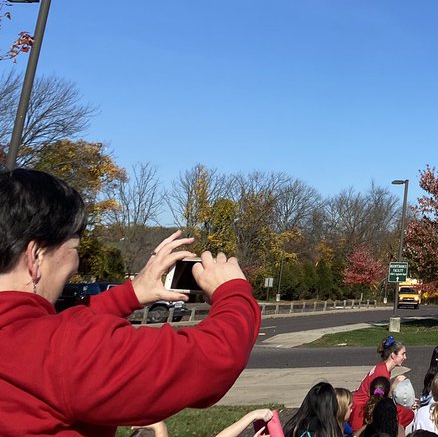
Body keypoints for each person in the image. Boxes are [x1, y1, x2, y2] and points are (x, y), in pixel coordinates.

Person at [0, 167, 260, 437]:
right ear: (36, 256)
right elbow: (213, 359)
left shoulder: (25, 342)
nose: (76, 266)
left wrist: (131, 294)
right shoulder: (61, 351)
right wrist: (233, 291)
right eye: (74, 250)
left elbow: (49, 328)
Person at [352, 336, 409, 430]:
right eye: (403, 354)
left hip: (359, 405)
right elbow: (382, 400)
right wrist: (394, 386)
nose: (405, 357)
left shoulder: (382, 367)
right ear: (393, 355)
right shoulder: (382, 374)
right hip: (360, 410)